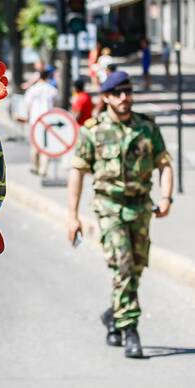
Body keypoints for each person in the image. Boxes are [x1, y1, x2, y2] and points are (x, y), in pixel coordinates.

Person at [66, 71, 174, 359]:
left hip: (140, 207)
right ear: (106, 98)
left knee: (136, 269)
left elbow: (164, 163)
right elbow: (77, 171)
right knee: (123, 266)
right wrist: (72, 215)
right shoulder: (93, 131)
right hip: (109, 207)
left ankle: (113, 315)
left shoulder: (147, 128)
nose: (124, 97)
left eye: (128, 92)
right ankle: (131, 330)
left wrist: (165, 197)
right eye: (117, 93)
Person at [17, 69, 58, 177]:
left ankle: (35, 166)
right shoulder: (52, 89)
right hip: (47, 120)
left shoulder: (32, 89)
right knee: (45, 145)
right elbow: (55, 102)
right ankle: (43, 169)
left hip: (35, 120)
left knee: (35, 145)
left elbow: (27, 104)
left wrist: (25, 116)